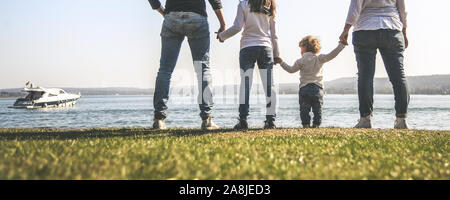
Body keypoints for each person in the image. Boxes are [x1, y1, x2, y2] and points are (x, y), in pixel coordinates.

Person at [148, 0, 226, 130]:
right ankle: (206, 120)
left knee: (165, 70)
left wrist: (162, 11)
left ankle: (159, 120)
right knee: (203, 69)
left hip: (172, 17)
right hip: (197, 18)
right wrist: (223, 24)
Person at [339, 0, 410, 129]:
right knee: (398, 76)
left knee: (365, 76)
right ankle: (401, 120)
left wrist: (346, 29)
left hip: (365, 28)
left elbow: (355, 7)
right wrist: (404, 31)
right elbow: (402, 10)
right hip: (392, 29)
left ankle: (365, 119)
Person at [218, 0, 280, 130]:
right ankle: (270, 121)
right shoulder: (270, 4)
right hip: (266, 48)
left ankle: (243, 120)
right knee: (269, 85)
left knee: (245, 85)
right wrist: (276, 54)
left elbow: (237, 27)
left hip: (247, 47)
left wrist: (222, 36)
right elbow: (274, 35)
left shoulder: (243, 4)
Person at [277, 36, 346, 128]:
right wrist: (341, 45)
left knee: (304, 109)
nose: (300, 51)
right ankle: (316, 124)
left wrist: (281, 62)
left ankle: (305, 125)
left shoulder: (300, 61)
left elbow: (291, 70)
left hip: (304, 88)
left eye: (301, 48)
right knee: (317, 109)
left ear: (304, 47)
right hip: (318, 88)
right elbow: (332, 55)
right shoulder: (319, 58)